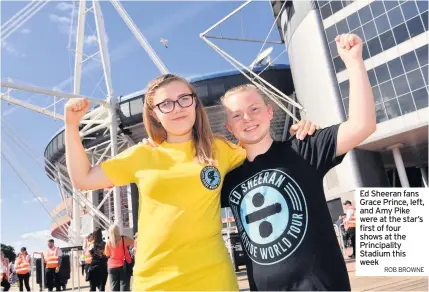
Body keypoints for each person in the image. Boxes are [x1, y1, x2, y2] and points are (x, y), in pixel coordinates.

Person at [64, 71, 315, 290]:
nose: (178, 108)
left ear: (195, 103)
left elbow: (262, 147)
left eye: (184, 99)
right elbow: (83, 179)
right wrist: (71, 125)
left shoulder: (220, 149)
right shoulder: (142, 154)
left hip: (214, 278)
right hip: (155, 282)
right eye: (166, 104)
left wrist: (300, 130)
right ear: (154, 113)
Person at [219, 33, 376, 290]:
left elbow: (363, 125)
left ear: (270, 112)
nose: (247, 118)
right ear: (229, 127)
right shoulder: (229, 178)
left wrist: (354, 62)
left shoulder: (304, 147)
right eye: (237, 115)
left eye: (254, 109)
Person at [104, 224, 134, 291]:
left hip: (112, 267)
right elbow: (134, 243)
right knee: (124, 286)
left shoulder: (108, 242)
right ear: (118, 231)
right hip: (124, 265)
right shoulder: (124, 239)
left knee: (114, 288)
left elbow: (107, 254)